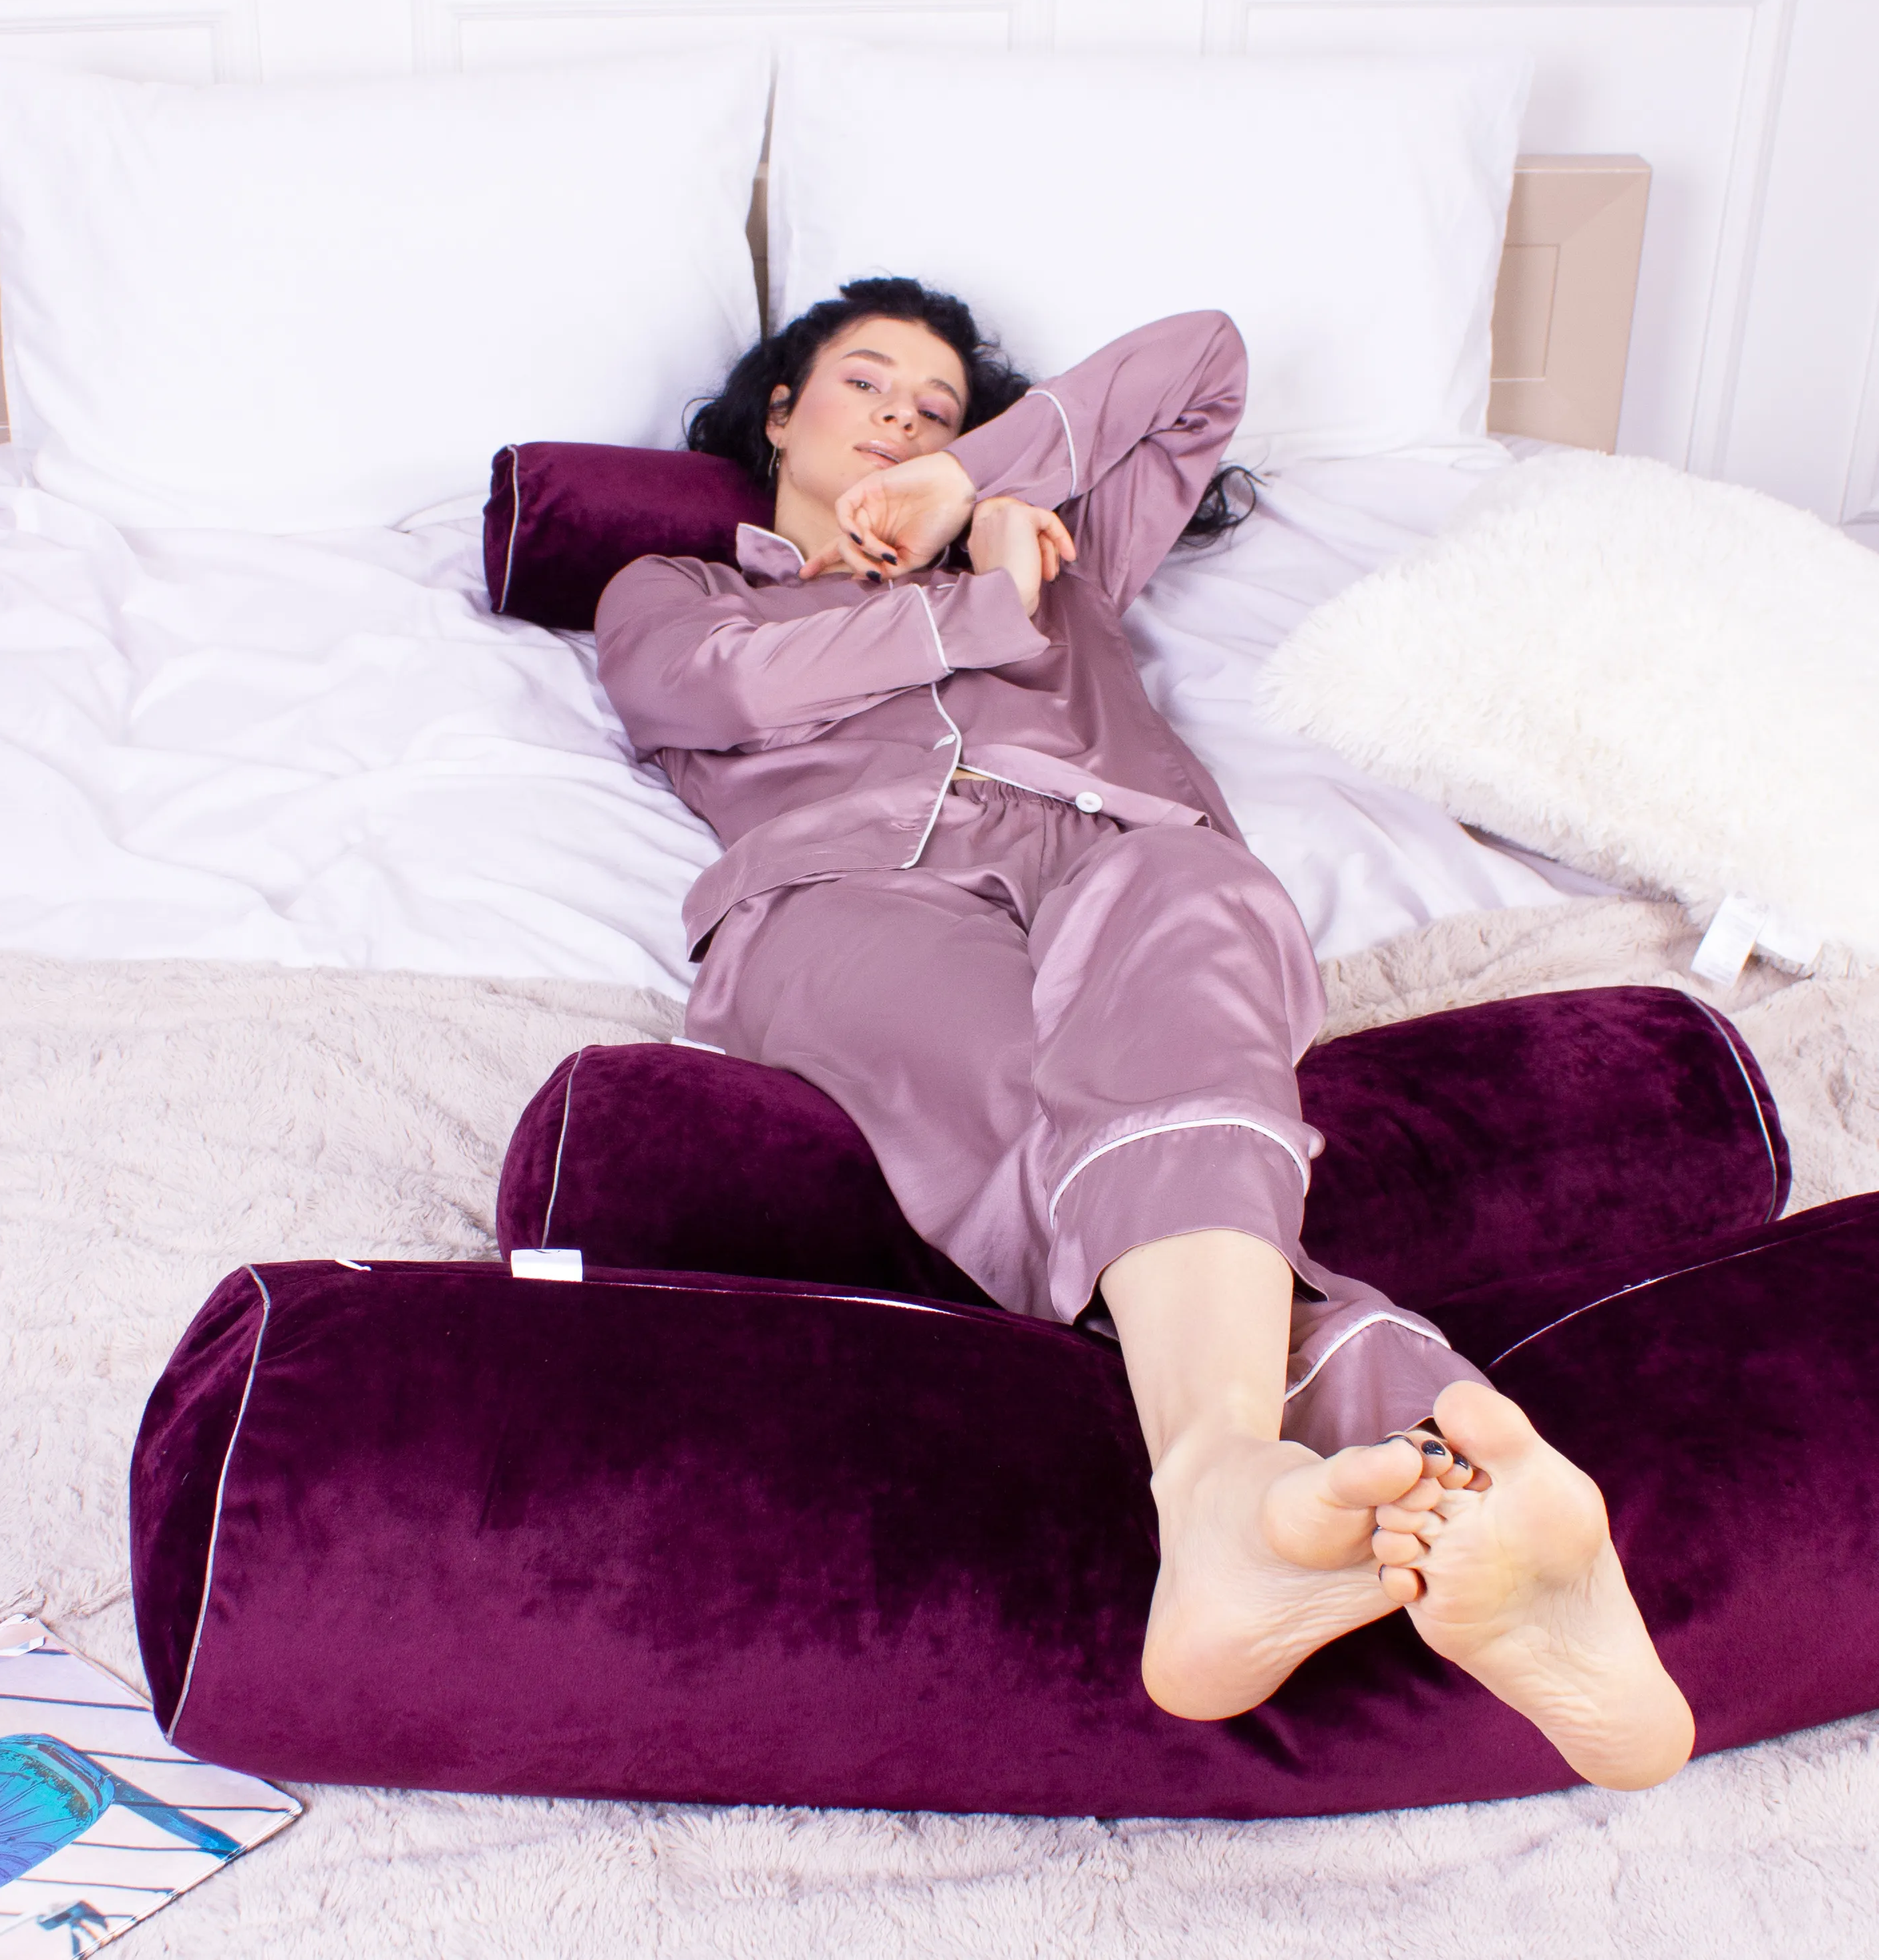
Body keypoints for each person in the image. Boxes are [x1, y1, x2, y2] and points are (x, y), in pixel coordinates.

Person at [594, 277, 1695, 1791]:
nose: (902, 419)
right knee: (1062, 1116)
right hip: (848, 894)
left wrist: (977, 486)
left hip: (1121, 850)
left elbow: (1204, 363)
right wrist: (980, 598)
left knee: (1201, 899)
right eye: (867, 385)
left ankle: (1233, 1503)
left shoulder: (1059, 546)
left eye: (935, 406)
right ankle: (1446, 1469)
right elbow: (712, 687)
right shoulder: (681, 588)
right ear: (780, 413)